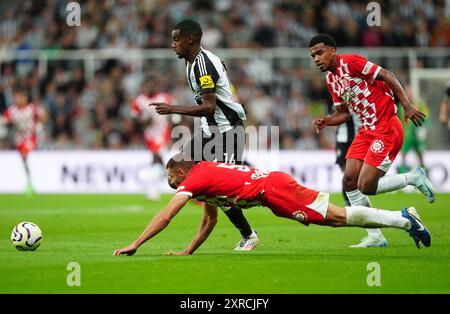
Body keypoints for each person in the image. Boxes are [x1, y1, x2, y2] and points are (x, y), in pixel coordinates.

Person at [113, 154, 431, 257]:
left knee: (336, 216)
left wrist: (136, 243)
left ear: (180, 172)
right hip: (270, 192)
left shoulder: (193, 180)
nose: (170, 183)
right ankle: (403, 219)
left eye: (171, 178)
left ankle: (403, 219)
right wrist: (188, 251)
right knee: (334, 219)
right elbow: (209, 220)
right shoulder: (203, 179)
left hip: (272, 189)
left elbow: (167, 215)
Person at [309, 34, 435, 248]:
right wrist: (327, 121)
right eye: (312, 56)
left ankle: (413, 177)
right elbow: (344, 113)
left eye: (319, 53)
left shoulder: (350, 62)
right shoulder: (331, 80)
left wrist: (407, 105)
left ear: (332, 50)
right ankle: (375, 236)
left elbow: (386, 74)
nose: (316, 59)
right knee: (349, 181)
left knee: (365, 185)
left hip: (386, 126)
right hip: (366, 131)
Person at [149, 19, 258, 251]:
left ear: (191, 39)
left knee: (224, 191)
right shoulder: (194, 62)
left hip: (228, 134)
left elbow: (209, 107)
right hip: (209, 132)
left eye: (176, 39)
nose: (172, 44)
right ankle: (209, 205)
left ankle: (248, 234)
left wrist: (173, 108)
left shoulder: (202, 64)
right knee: (176, 171)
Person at [131, 79, 176, 200]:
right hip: (149, 135)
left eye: (153, 84)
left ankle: (154, 191)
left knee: (158, 159)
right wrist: (143, 121)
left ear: (157, 86)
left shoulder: (165, 97)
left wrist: (174, 122)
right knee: (160, 163)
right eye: (148, 85)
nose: (150, 87)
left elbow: (174, 113)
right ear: (144, 86)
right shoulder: (139, 101)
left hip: (163, 133)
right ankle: (170, 183)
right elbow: (134, 118)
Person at [1, 87, 47, 195]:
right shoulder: (12, 110)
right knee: (23, 159)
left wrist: (39, 125)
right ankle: (29, 182)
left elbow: (44, 116)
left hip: (31, 137)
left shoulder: (31, 108)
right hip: (18, 138)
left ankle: (32, 183)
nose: (17, 100)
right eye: (15, 97)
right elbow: (5, 119)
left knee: (26, 154)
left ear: (25, 98)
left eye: (19, 97)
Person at [397, 85, 429, 173]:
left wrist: (424, 128)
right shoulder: (400, 106)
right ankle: (402, 178)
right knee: (403, 157)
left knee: (420, 156)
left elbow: (426, 117)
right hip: (406, 136)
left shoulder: (419, 105)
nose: (409, 94)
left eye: (411, 91)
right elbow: (398, 120)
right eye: (408, 91)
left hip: (417, 135)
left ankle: (425, 176)